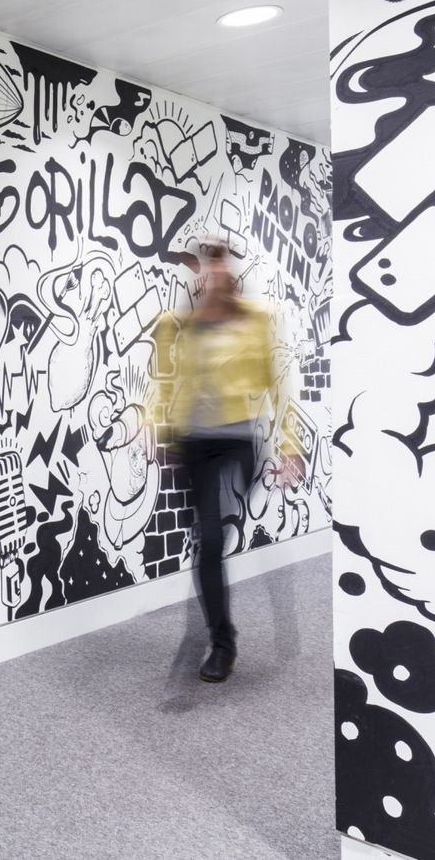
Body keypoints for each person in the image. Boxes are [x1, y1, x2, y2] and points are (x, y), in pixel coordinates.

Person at [151, 238, 302, 683]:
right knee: (210, 542)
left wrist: (290, 444)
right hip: (196, 442)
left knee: (222, 527)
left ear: (229, 274)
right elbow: (165, 383)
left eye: (219, 267)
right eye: (206, 268)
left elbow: (280, 383)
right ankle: (223, 642)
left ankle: (219, 607)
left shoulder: (257, 320)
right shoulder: (180, 324)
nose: (212, 275)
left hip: (238, 441)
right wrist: (160, 430)